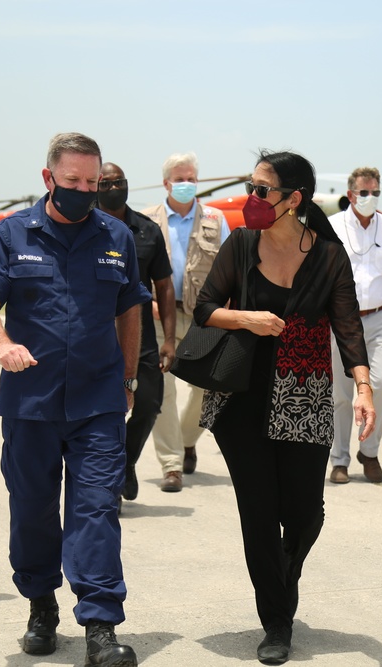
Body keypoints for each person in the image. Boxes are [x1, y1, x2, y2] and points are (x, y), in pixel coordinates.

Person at [0, 132, 149, 664]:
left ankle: (100, 627)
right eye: (73, 181)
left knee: (96, 510)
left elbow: (130, 309)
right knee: (32, 510)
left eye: (92, 182)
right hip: (31, 403)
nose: (84, 190)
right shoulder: (11, 235)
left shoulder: (116, 235)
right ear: (49, 178)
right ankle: (41, 604)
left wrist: (130, 378)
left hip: (98, 401)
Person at [195, 150, 375, 664]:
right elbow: (206, 308)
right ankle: (276, 620)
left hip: (305, 392)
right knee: (258, 513)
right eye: (250, 187)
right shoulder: (241, 243)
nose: (252, 199)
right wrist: (248, 319)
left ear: (294, 200)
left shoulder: (328, 256)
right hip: (241, 397)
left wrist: (362, 387)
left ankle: (284, 572)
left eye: (261, 190)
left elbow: (348, 327)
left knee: (303, 513)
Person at [140, 153, 227, 491]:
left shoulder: (216, 220)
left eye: (191, 177)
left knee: (208, 386)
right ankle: (172, 465)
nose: (187, 183)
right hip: (158, 315)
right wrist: (143, 300)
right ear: (166, 183)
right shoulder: (146, 220)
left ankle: (187, 438)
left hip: (202, 316)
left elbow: (232, 269)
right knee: (162, 390)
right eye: (180, 178)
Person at [327, 167, 382, 484]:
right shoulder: (332, 227)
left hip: (378, 318)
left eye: (375, 192)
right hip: (340, 320)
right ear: (351, 194)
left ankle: (370, 451)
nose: (370, 198)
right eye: (365, 193)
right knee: (340, 393)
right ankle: (339, 460)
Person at [96, 162, 177, 503]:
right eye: (106, 183)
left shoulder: (146, 231)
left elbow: (165, 286)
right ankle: (109, 483)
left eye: (120, 182)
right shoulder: (84, 227)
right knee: (104, 413)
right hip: (96, 337)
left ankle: (125, 463)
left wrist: (169, 339)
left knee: (149, 404)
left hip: (140, 337)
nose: (114, 188)